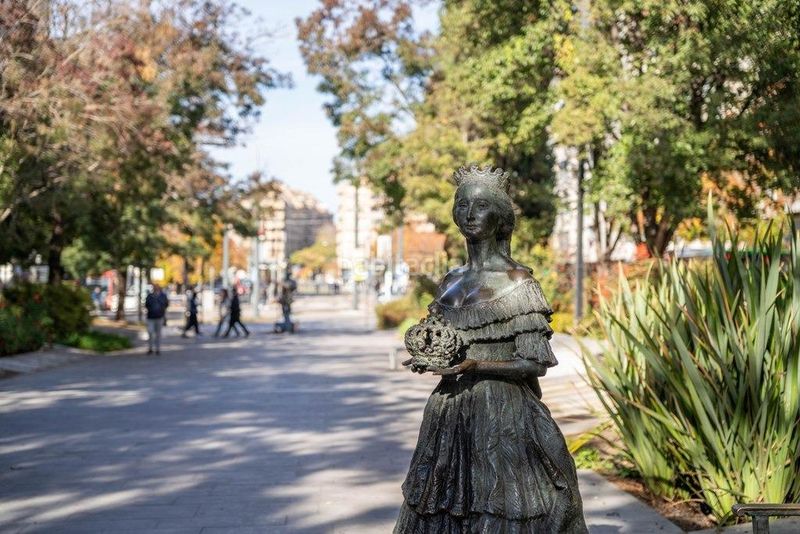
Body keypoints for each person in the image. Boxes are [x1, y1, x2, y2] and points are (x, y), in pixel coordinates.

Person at [395, 166, 587, 532]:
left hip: (503, 413)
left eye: (481, 205)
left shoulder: (519, 283)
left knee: (501, 505)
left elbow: (534, 362)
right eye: (462, 204)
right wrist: (429, 355)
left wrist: (476, 364)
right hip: (449, 412)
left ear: (500, 216)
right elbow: (442, 337)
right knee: (442, 503)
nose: (469, 214)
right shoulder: (451, 279)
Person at [144, 283, 168, 355]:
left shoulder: (163, 296)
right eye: (154, 287)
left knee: (158, 334)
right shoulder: (150, 296)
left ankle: (158, 348)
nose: (155, 288)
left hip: (159, 317)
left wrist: (162, 311)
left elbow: (166, 304)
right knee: (150, 332)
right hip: (151, 317)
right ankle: (150, 348)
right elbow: (146, 305)